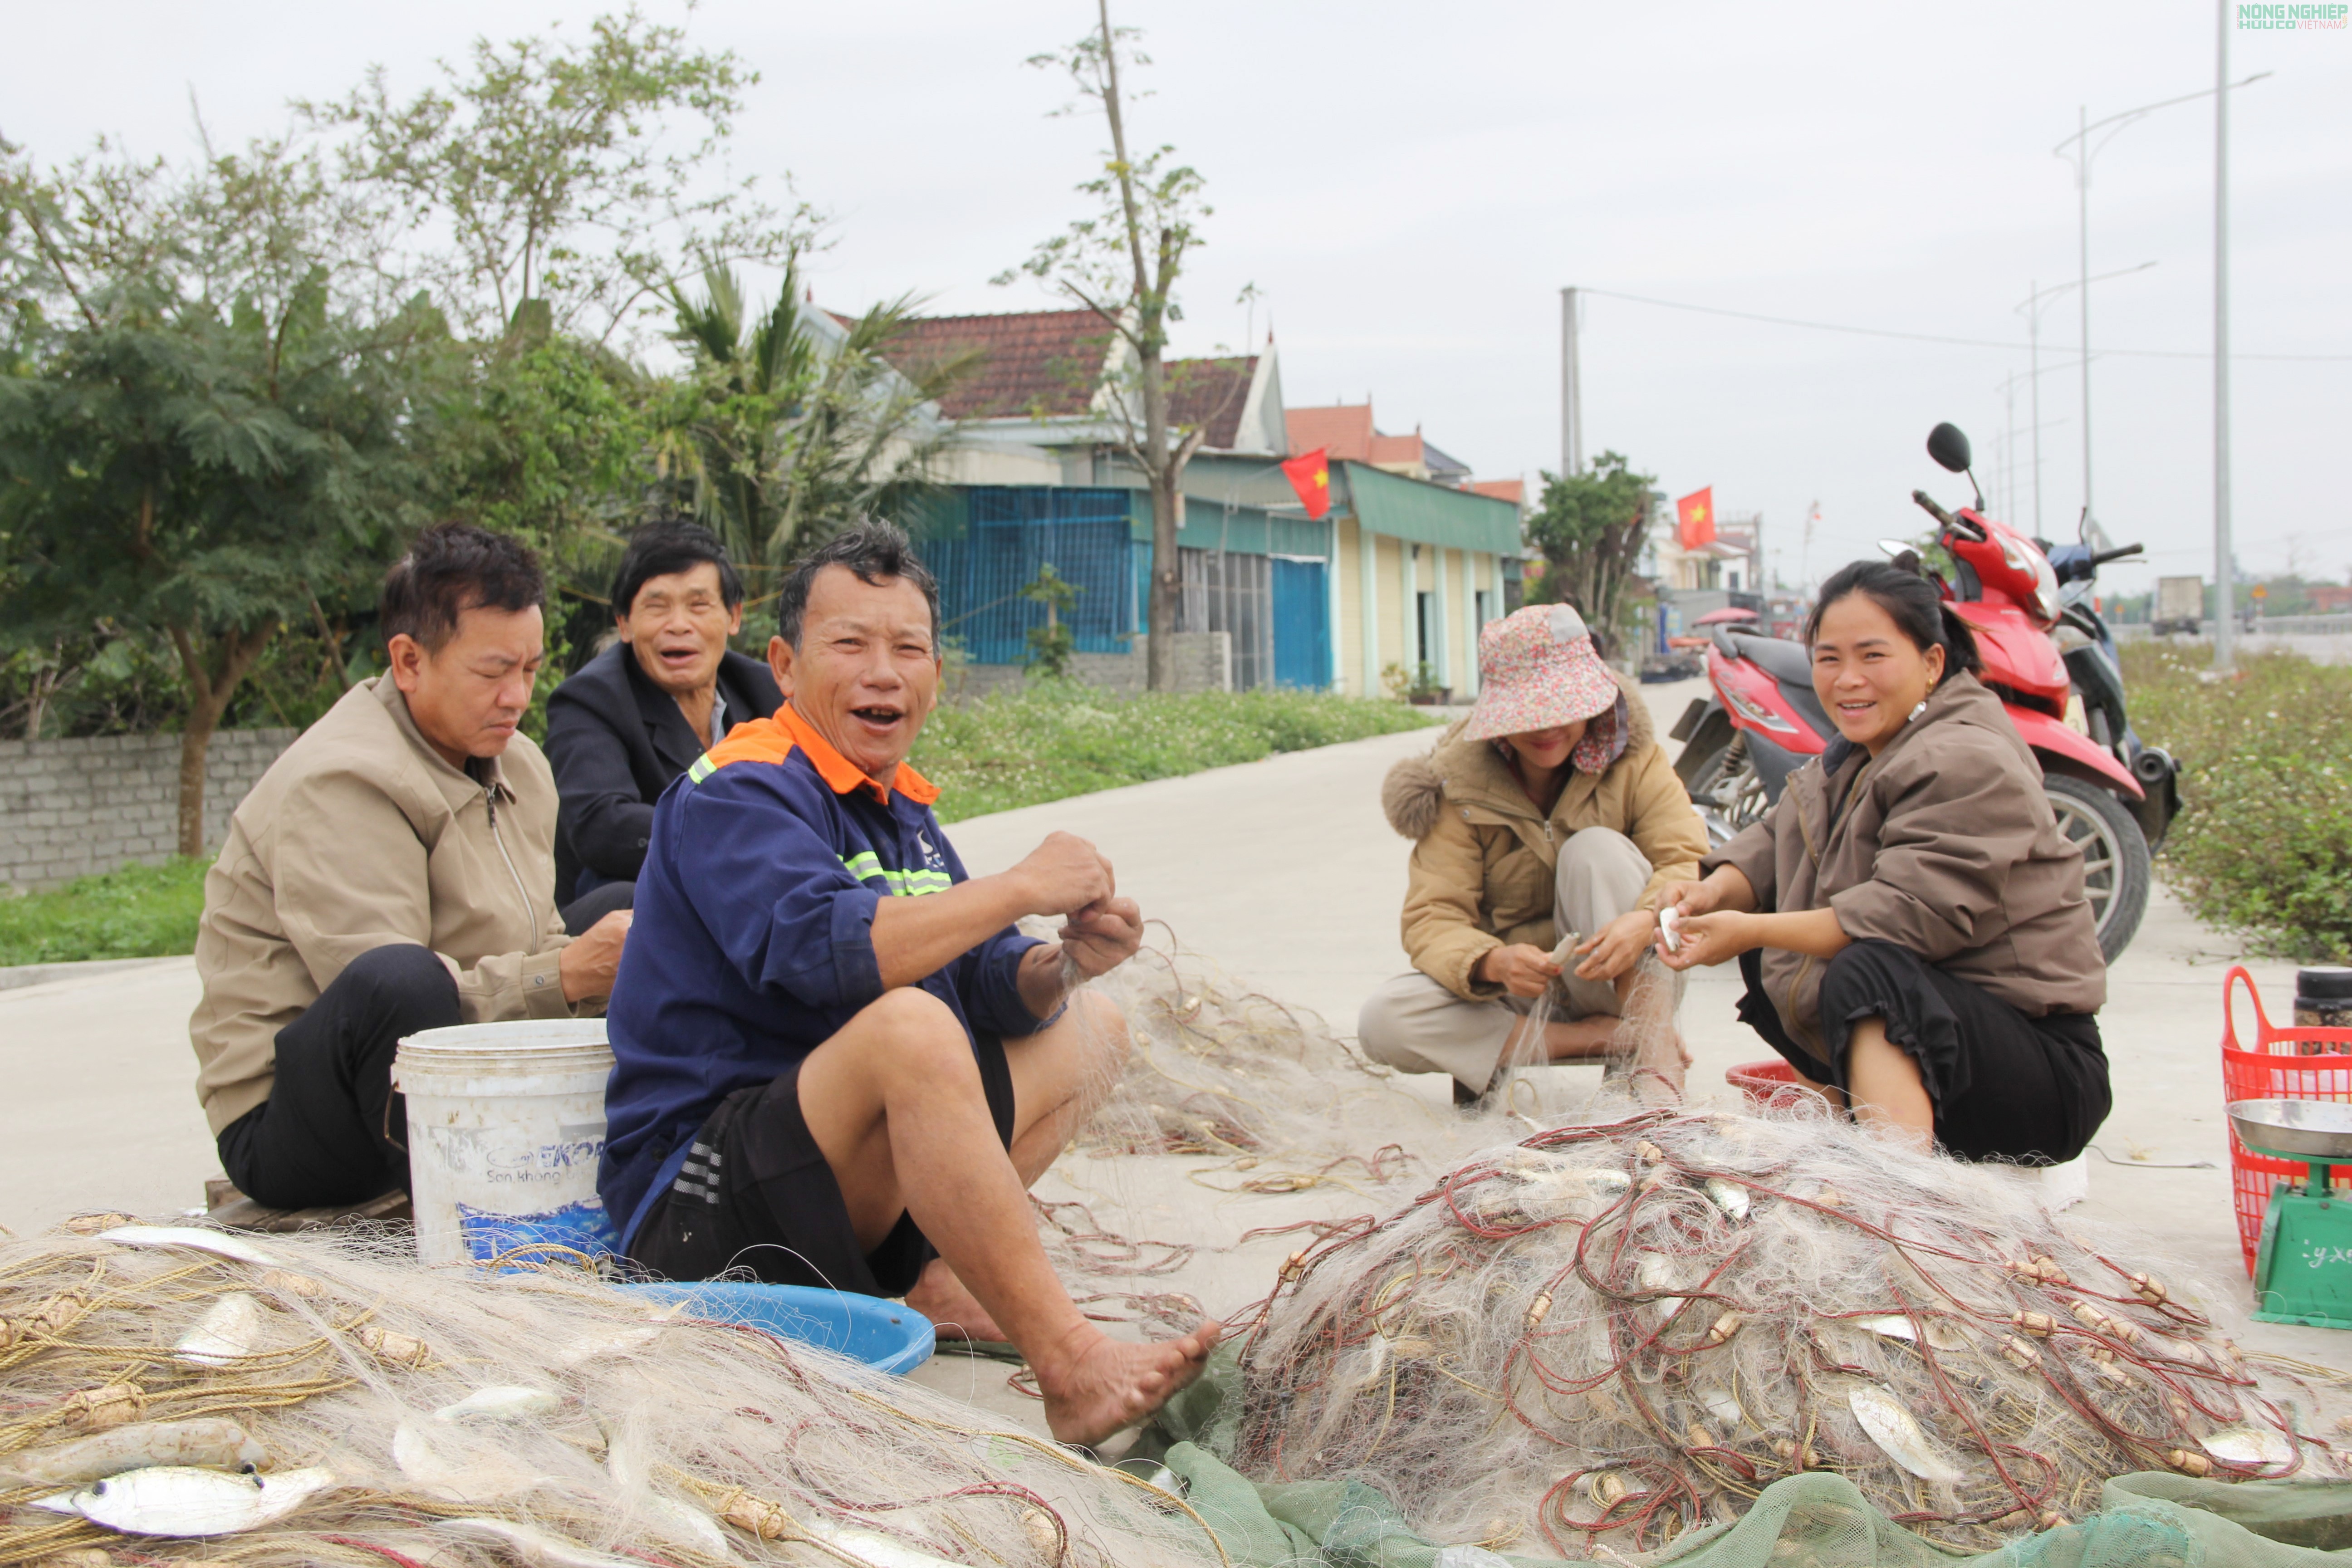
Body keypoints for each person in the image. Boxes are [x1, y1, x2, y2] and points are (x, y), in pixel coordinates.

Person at [597, 521, 1219, 1446]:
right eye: (849, 644)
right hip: (699, 1207)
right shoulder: (739, 787)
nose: (883, 674)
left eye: (908, 649)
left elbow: (986, 977)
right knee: (913, 1031)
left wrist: (1063, 963)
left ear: (936, 674)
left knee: (1093, 1028)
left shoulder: (898, 807)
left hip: (823, 1176)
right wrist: (1020, 884)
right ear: (785, 666)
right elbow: (827, 954)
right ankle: (1069, 1364)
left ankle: (939, 1279)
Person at [191, 524, 634, 1211]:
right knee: (402, 978)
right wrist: (568, 975)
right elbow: (395, 1012)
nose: (517, 697)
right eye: (492, 672)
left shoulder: (519, 763)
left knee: (628, 908)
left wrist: (583, 960)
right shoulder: (340, 781)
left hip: (458, 1046)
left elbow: (539, 935)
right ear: (408, 662)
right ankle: (472, 1214)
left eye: (530, 669)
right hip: (302, 1117)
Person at [1656, 561, 2110, 1162]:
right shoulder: (1857, 752)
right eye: (1829, 659)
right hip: (1947, 1042)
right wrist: (1711, 895)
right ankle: (1839, 1145)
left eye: (1873, 656)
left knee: (1865, 970)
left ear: (1932, 663)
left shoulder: (1965, 755)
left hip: (2039, 1073)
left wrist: (1750, 929)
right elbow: (1775, 841)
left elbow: (1905, 915)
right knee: (1776, 953)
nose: (1849, 680)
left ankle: (1895, 1190)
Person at [1361, 603, 1708, 1104]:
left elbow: (1684, 863)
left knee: (1596, 850)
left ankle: (1654, 1055)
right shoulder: (1457, 786)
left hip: (1621, 978)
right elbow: (1433, 917)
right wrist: (1491, 962)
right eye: (1529, 715)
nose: (1546, 729)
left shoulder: (1637, 762)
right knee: (1385, 1021)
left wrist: (1645, 922)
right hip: (1513, 997)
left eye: (1562, 709)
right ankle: (1606, 1038)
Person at [544, 519, 784, 901]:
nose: (679, 625)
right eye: (657, 608)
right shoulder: (590, 700)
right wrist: (740, 834)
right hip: (636, 902)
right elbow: (601, 826)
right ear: (624, 624)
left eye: (699, 605)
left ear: (734, 617)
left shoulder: (769, 691)